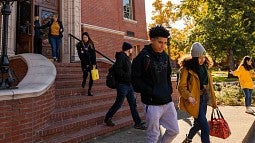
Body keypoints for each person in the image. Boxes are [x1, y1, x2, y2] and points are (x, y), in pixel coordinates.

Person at [131, 25, 179, 143]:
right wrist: (151, 91)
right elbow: (135, 80)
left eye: (165, 42)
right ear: (151, 40)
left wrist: (169, 90)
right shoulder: (142, 57)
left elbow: (168, 76)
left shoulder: (165, 56)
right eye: (160, 42)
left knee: (174, 130)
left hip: (167, 101)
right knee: (153, 136)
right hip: (151, 104)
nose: (163, 45)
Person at [178, 42, 217, 143]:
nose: (202, 60)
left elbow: (210, 86)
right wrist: (189, 97)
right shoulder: (186, 69)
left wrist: (214, 101)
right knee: (205, 126)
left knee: (198, 124)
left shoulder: (205, 68)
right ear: (194, 58)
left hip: (203, 99)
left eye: (204, 57)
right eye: (199, 58)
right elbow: (181, 87)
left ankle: (188, 139)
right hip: (194, 100)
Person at [104, 42, 146, 130]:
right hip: (122, 85)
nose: (132, 50)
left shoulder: (126, 57)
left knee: (133, 104)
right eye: (131, 48)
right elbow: (117, 69)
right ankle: (108, 118)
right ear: (128, 49)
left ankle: (137, 123)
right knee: (119, 103)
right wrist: (126, 76)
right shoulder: (122, 56)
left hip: (128, 85)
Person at [76, 32, 97, 96]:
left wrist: (94, 63)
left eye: (86, 37)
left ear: (88, 37)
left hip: (92, 62)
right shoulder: (80, 44)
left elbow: (94, 54)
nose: (85, 38)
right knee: (85, 74)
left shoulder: (91, 44)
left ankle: (89, 90)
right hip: (84, 62)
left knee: (92, 77)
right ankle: (84, 80)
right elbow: (80, 55)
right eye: (83, 37)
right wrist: (85, 63)